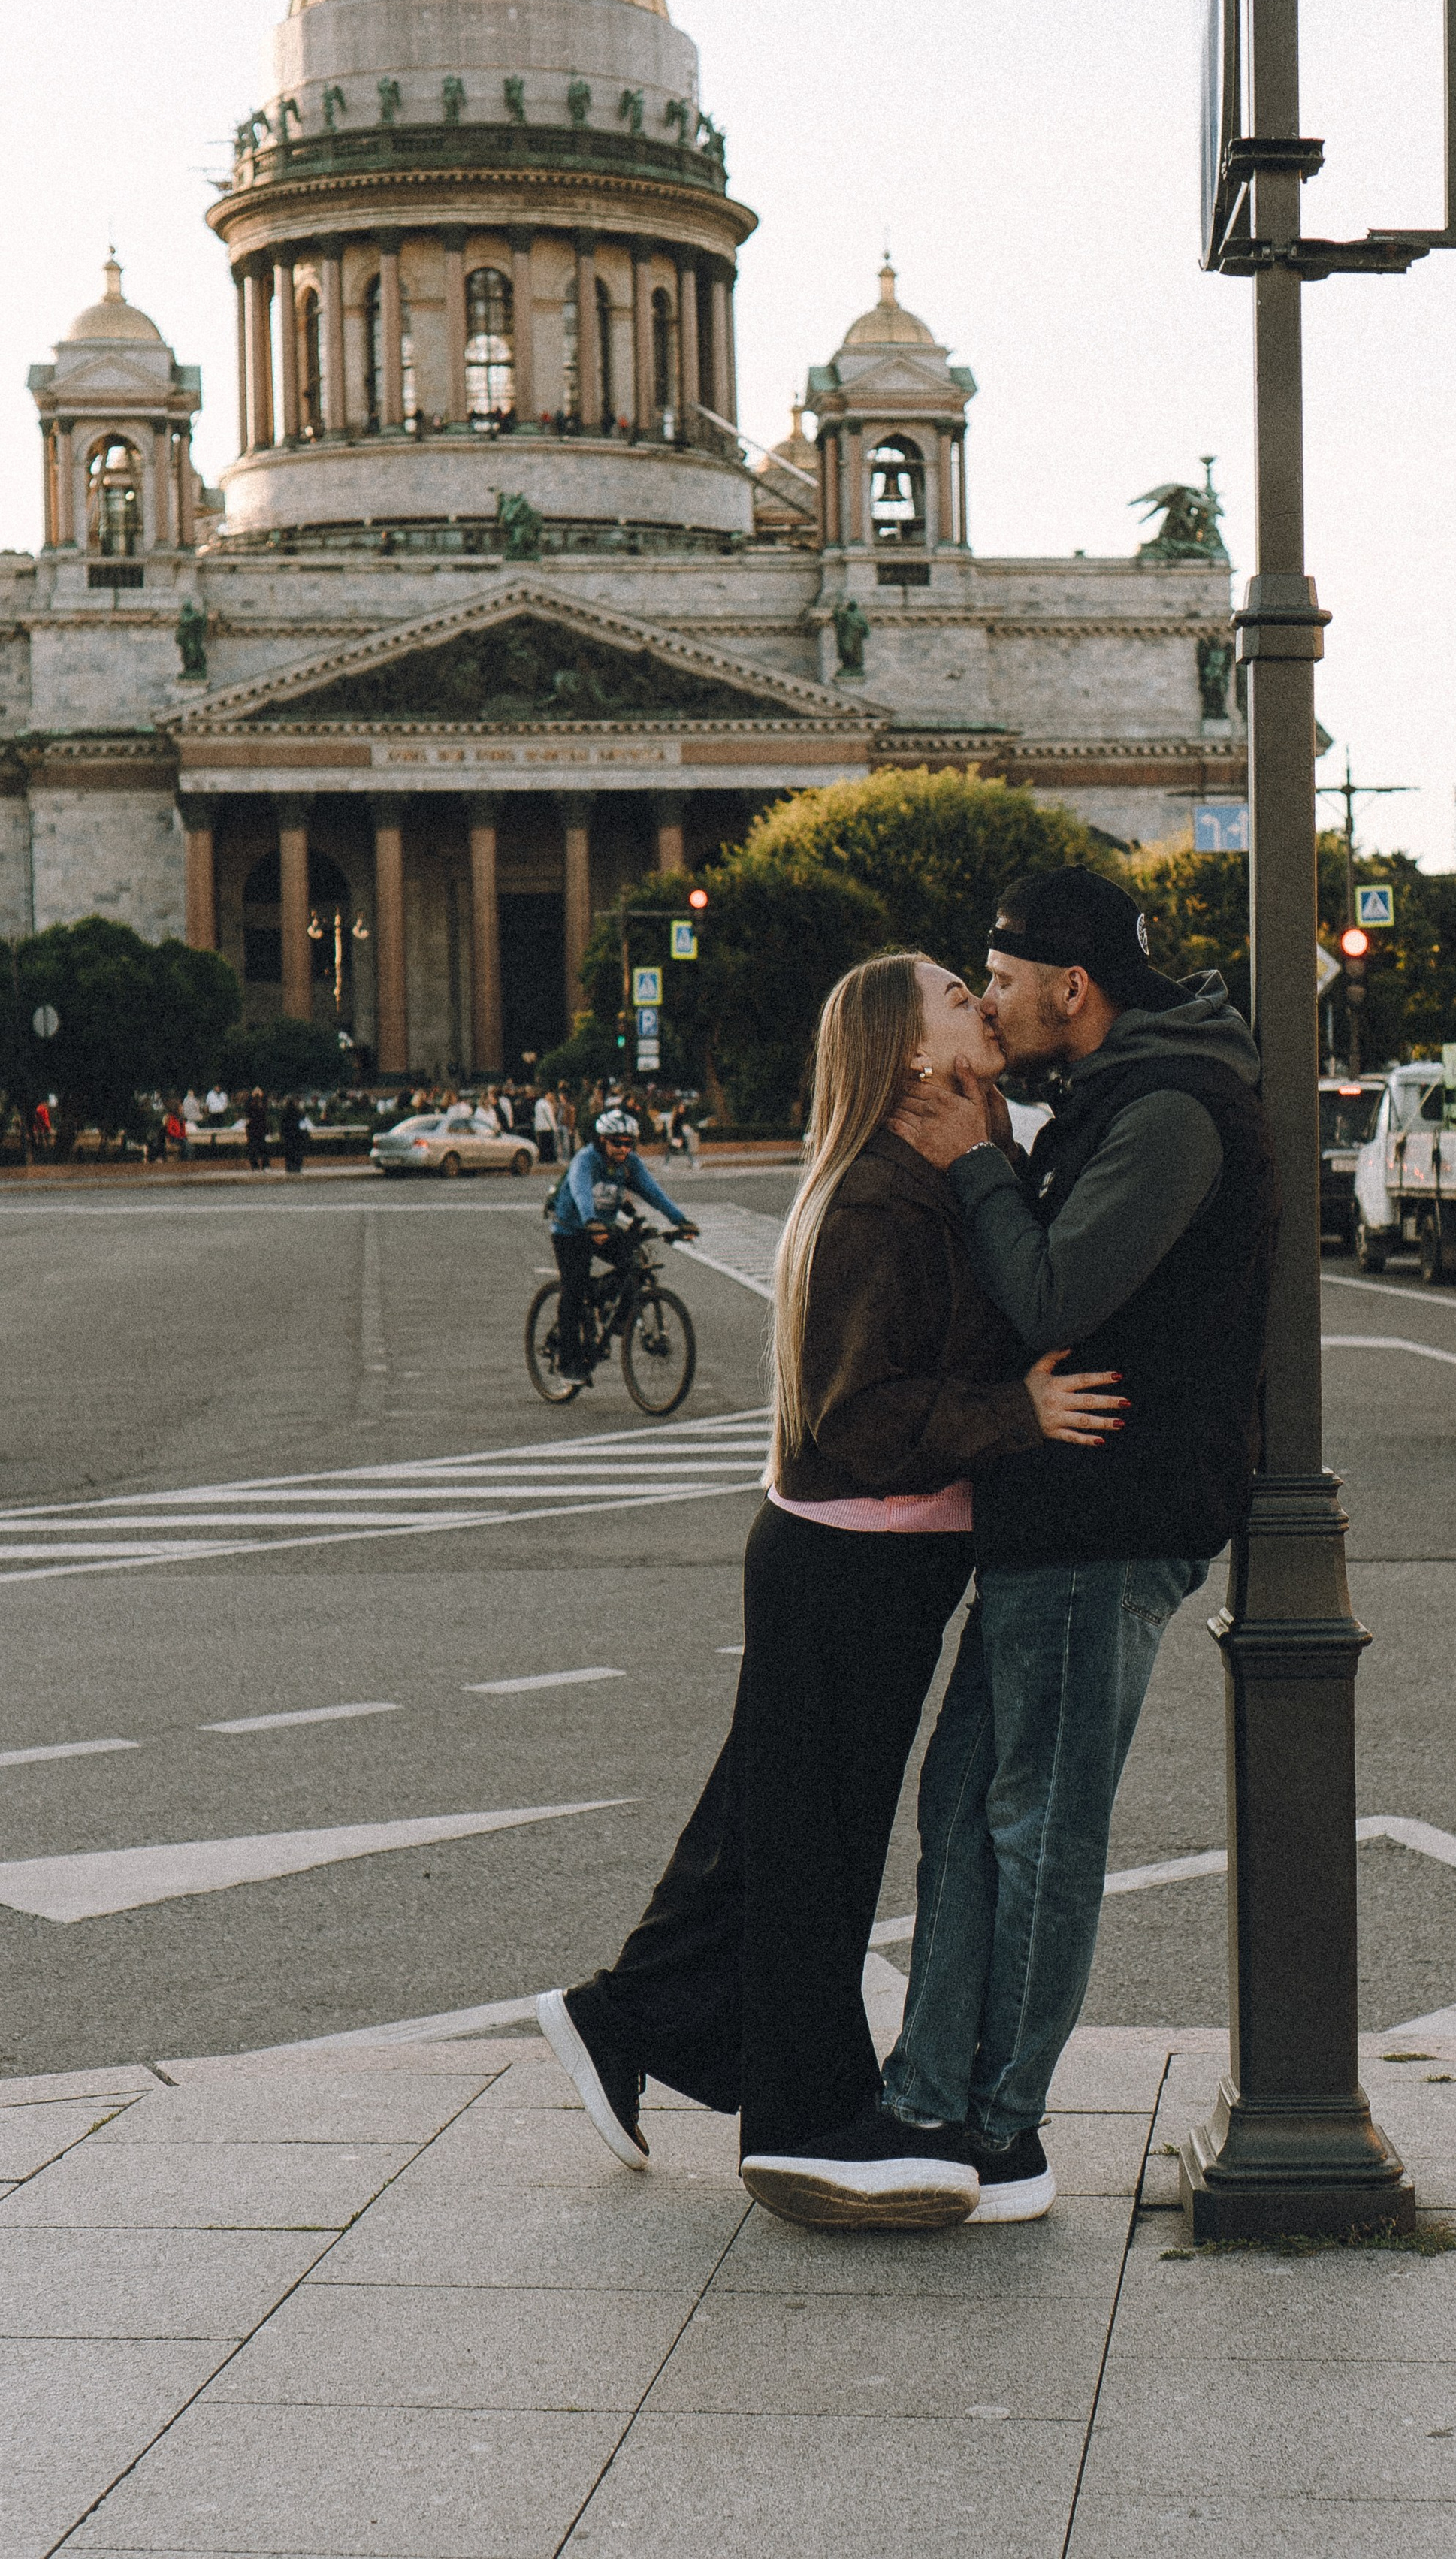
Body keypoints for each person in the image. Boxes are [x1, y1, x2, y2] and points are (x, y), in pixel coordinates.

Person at [536, 953, 1125, 2228]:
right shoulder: (874, 1200)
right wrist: (1014, 1417)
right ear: (911, 1055)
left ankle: (619, 2018)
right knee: (817, 1848)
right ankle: (803, 2115)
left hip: (872, 1554)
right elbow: (864, 1419)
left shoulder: (922, 1170)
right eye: (956, 1000)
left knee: (765, 1828)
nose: (981, 1002)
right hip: (852, 1550)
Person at [873, 865, 1276, 2226]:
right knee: (966, 1804)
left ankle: (1001, 2131)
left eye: (997, 980)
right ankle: (928, 2094)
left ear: (1071, 989)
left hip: (1110, 1513)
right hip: (1062, 1509)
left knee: (1036, 1825)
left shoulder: (1169, 1111)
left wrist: (976, 1160)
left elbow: (1056, 1286)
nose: (986, 1002)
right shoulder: (1121, 1094)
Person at [546, 1105, 698, 1383]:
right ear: (602, 1139)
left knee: (635, 1264)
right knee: (574, 1291)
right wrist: (591, 1221)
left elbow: (654, 1193)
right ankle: (569, 1363)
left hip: (602, 1227)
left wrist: (681, 1220)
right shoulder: (586, 1160)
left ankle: (615, 1322)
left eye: (629, 1143)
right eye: (617, 1142)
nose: (623, 1148)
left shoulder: (629, 1164)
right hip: (571, 1229)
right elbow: (580, 1191)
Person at [279, 1095, 307, 1175]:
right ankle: (296, 1168)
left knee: (289, 1152)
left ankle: (289, 1168)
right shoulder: (297, 1111)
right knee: (296, 1152)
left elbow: (282, 1124)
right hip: (296, 1134)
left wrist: (282, 1134)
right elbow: (302, 1117)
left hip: (288, 1134)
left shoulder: (284, 1111)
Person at [532, 1087, 559, 1166]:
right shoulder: (546, 1105)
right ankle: (550, 1159)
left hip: (539, 1127)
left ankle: (542, 1158)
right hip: (547, 1127)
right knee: (548, 1144)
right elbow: (550, 1117)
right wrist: (554, 1128)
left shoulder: (538, 1103)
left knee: (542, 1144)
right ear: (547, 1095)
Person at [245, 1091, 270, 1172]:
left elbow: (265, 1107)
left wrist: (262, 1095)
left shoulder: (262, 1106)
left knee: (263, 1148)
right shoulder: (251, 1106)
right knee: (253, 1148)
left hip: (260, 1129)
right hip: (253, 1129)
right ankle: (255, 1166)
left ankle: (265, 1165)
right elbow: (247, 1109)